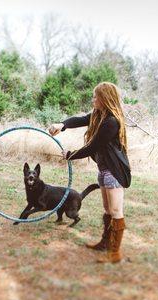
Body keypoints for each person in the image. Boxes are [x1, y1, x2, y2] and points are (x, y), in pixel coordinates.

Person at [48, 82, 131, 263]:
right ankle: (105, 243)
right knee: (108, 209)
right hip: (103, 170)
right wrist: (62, 125)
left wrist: (70, 155)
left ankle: (114, 254)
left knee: (116, 210)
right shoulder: (98, 115)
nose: (93, 99)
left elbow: (93, 146)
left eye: (96, 96)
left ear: (105, 98)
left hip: (113, 172)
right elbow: (79, 120)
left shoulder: (111, 122)